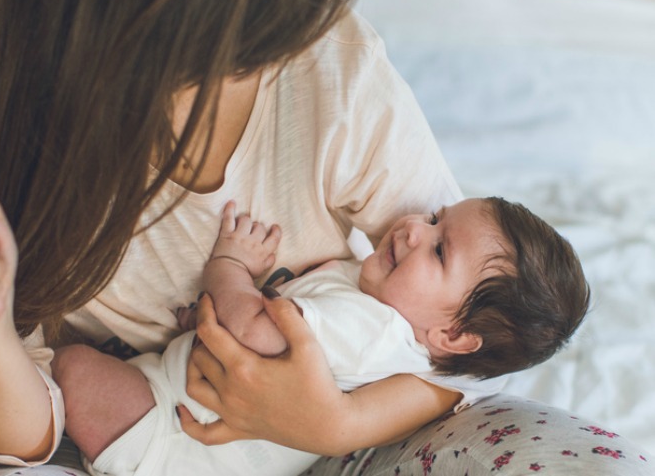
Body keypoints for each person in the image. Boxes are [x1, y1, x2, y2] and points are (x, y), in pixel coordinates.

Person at [0, 0, 512, 470]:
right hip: (105, 431)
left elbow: (484, 343)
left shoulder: (335, 71)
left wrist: (336, 426)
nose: (314, 13)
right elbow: (1, 447)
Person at [49, 198, 589, 475]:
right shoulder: (378, 297)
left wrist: (230, 267)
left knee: (72, 366)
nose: (411, 229)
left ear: (451, 333)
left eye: (439, 249)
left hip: (174, 440)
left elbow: (259, 332)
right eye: (433, 217)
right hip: (181, 418)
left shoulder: (376, 330)